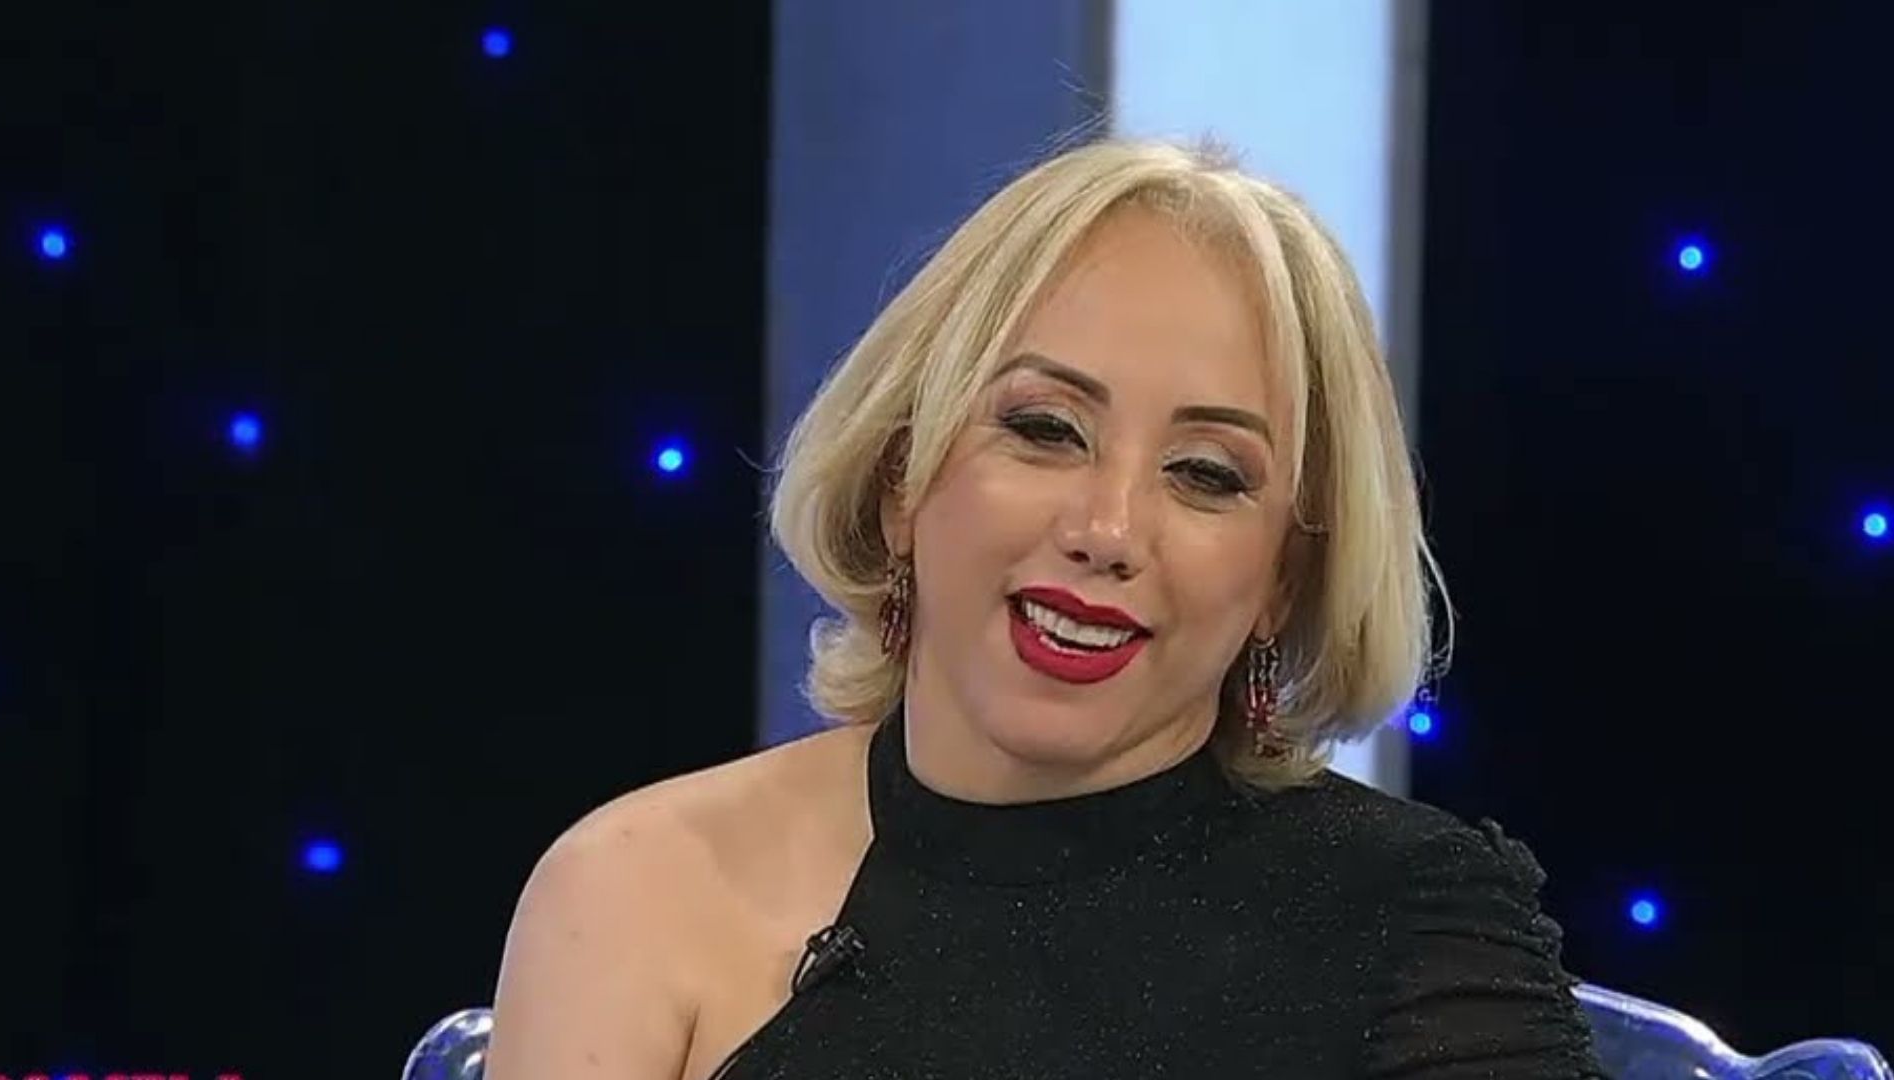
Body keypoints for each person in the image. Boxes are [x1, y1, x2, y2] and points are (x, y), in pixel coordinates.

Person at [484, 137, 1604, 1079]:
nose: (1107, 530)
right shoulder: (639, 891)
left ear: (1283, 578)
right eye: (1044, 430)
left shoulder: (1410, 925)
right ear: (901, 475)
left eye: (1205, 475)